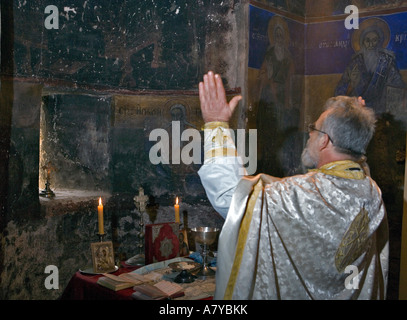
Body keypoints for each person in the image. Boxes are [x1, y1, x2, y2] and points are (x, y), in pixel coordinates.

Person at [197, 71, 389, 300]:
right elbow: (357, 165)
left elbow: (231, 197)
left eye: (314, 129)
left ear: (324, 140)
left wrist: (215, 124)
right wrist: (356, 121)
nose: (309, 133)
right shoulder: (371, 191)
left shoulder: (301, 197)